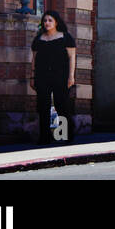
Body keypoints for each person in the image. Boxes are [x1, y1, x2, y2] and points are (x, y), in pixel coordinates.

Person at [31, 10, 76, 145]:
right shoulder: (39, 39)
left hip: (60, 75)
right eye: (45, 21)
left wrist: (71, 76)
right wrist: (31, 77)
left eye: (50, 20)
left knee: (61, 104)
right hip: (42, 76)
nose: (47, 23)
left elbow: (72, 57)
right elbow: (33, 59)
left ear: (56, 22)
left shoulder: (65, 37)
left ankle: (66, 135)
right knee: (43, 106)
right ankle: (44, 137)